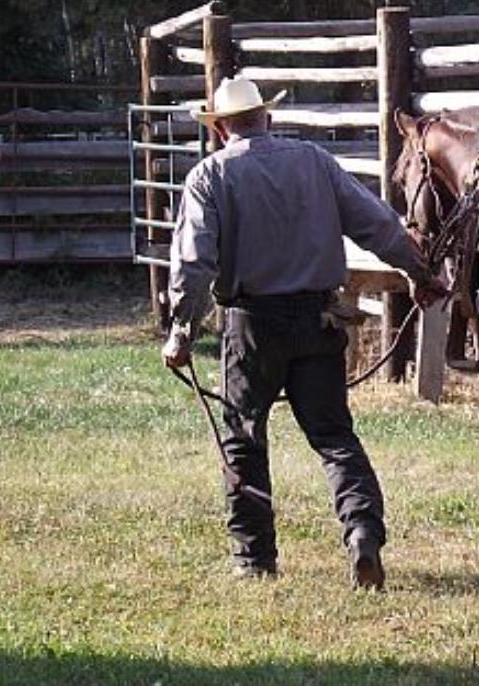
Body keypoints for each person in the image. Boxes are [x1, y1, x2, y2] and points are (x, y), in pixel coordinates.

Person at [163, 76, 446, 588]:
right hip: (318, 319)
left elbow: (194, 262)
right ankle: (362, 531)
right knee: (334, 436)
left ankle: (255, 559)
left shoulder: (210, 176)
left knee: (245, 438)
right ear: (265, 118)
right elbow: (377, 224)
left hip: (251, 328)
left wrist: (182, 327)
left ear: (222, 128)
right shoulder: (314, 162)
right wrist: (419, 272)